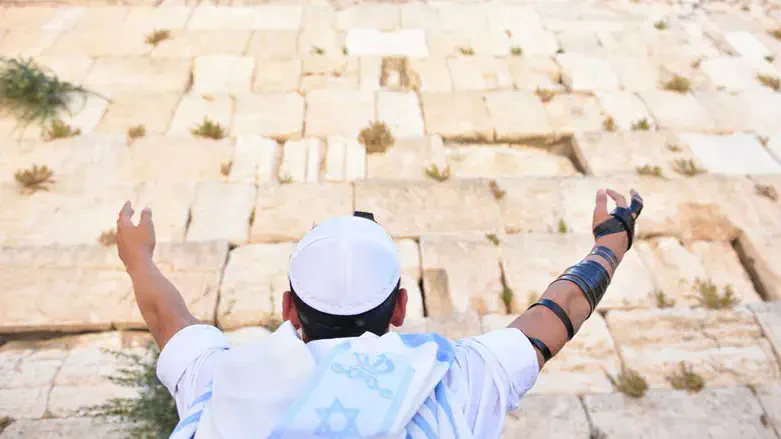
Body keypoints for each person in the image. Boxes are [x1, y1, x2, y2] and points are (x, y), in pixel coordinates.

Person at [116, 188, 643, 439]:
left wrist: (137, 255)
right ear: (400, 308)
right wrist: (611, 243)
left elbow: (168, 317)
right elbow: (558, 311)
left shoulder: (221, 383)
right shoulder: (456, 381)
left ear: (288, 310)